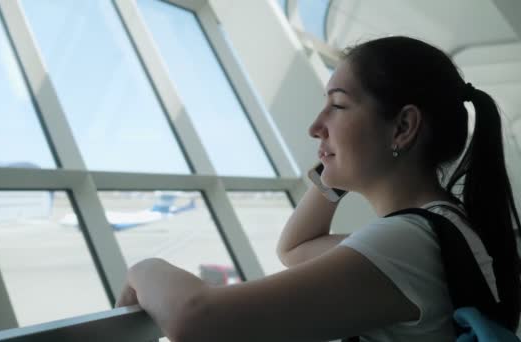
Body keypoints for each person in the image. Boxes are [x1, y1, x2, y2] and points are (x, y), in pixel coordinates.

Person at [116, 36, 520, 341]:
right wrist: (331, 170)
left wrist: (142, 267)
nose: (315, 126)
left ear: (402, 127)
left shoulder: (406, 243)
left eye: (338, 105)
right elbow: (294, 250)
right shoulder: (444, 226)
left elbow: (195, 318)